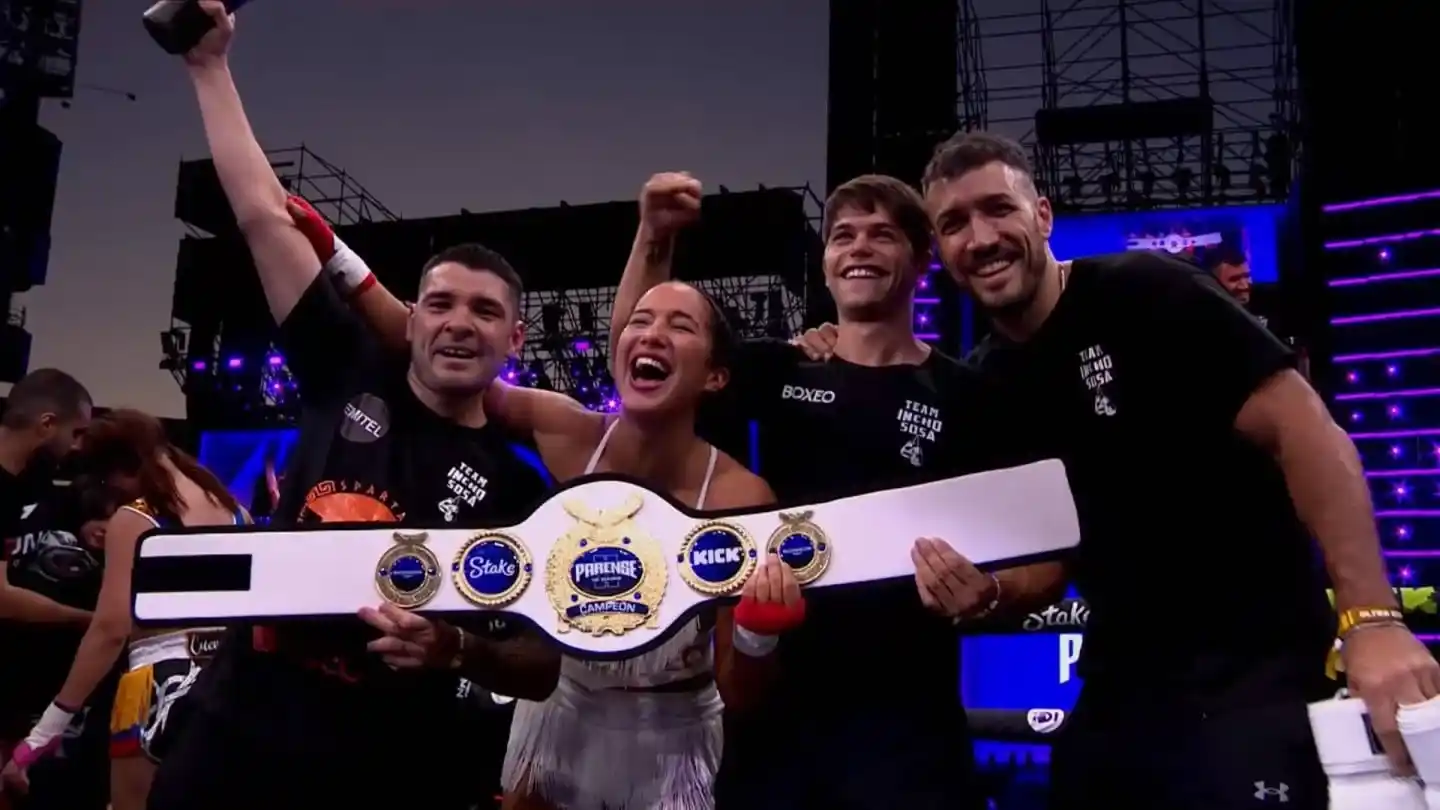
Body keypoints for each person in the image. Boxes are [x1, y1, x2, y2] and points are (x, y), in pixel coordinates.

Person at [835, 128, 1432, 809]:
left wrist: (1373, 620)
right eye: (954, 224)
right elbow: (1050, 563)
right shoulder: (988, 384)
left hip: (1258, 674)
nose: (981, 237)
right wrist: (990, 593)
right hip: (1124, 683)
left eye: (998, 209)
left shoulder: (1147, 292)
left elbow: (1308, 435)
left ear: (1043, 215)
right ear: (940, 250)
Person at [145, 6, 560, 809]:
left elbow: (540, 666)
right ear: (415, 316)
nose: (458, 324)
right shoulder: (346, 366)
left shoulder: (516, 492)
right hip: (236, 737)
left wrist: (455, 647)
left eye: (483, 311)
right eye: (441, 304)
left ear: (513, 338)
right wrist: (208, 68)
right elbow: (265, 217)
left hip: (387, 771)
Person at [286, 195, 803, 808]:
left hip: (673, 740)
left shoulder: (741, 497)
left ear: (715, 376)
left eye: (679, 326)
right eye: (639, 322)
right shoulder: (569, 432)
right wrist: (338, 259)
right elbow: (443, 344)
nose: (651, 335)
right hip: (555, 715)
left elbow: (742, 694)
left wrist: (758, 636)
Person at [608, 172, 1058, 810]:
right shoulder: (773, 371)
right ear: (826, 265)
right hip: (770, 714)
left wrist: (990, 595)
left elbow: (1046, 559)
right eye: (843, 235)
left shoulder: (973, 398)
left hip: (907, 727)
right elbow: (637, 355)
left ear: (922, 261)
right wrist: (653, 237)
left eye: (882, 235)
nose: (860, 247)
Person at [5, 410, 247, 810]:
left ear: (118, 469)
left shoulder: (135, 519)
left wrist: (44, 732)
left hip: (155, 691)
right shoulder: (235, 511)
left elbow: (110, 629)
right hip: (228, 687)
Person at [0, 480, 117, 810]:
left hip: (68, 696)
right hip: (24, 680)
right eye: (101, 518)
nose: (106, 529)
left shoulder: (110, 572)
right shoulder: (50, 532)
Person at [0, 368, 94, 629]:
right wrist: (95, 621)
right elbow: (2, 599)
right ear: (47, 424)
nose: (77, 446)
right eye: (76, 432)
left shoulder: (32, 476)